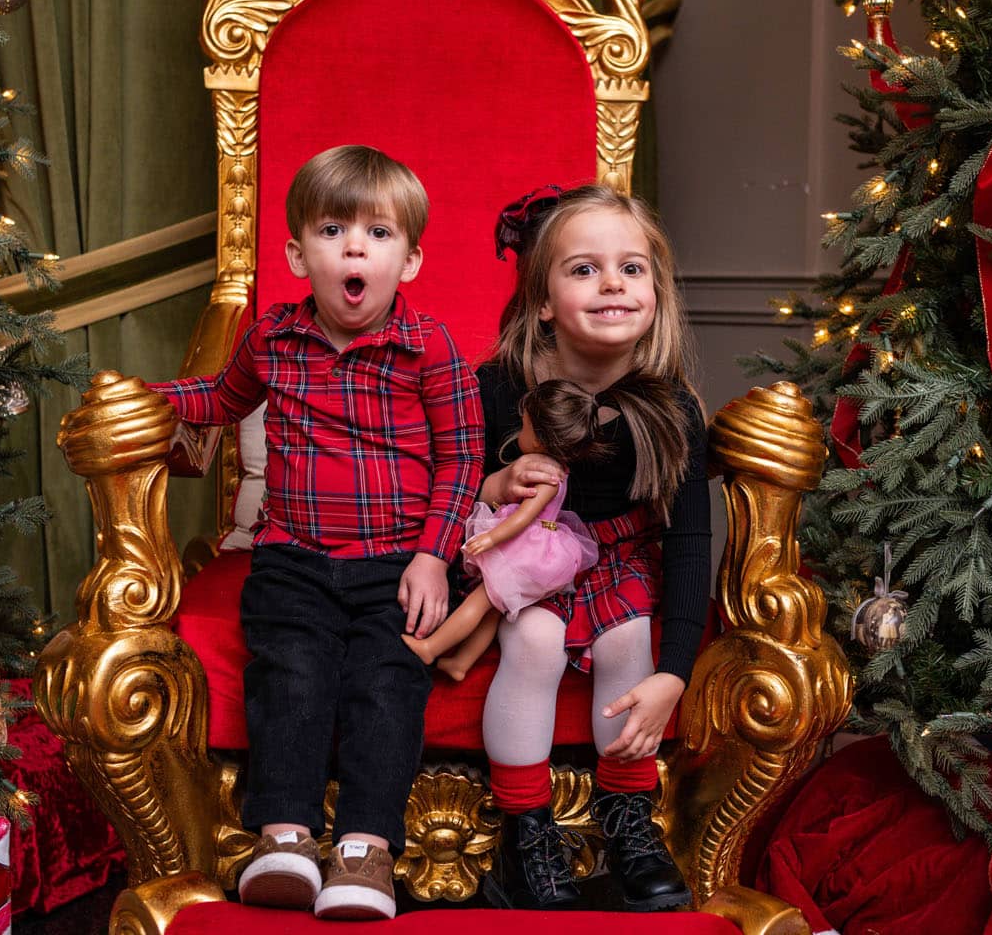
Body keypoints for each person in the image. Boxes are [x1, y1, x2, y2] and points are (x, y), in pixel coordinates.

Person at [148, 145, 484, 921]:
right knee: (290, 678)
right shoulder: (274, 340)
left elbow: (463, 457)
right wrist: (142, 398)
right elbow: (219, 399)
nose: (356, 248)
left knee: (385, 684)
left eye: (379, 233)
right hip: (293, 562)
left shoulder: (428, 348)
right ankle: (287, 840)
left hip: (398, 563)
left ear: (412, 258)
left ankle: (365, 850)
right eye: (334, 231)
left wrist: (434, 557)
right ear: (300, 255)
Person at [476, 184, 710, 912]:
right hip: (524, 555)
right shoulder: (497, 387)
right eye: (583, 269)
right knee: (537, 641)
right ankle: (527, 830)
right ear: (543, 300)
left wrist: (674, 674)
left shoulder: (672, 409)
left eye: (632, 268)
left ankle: (627, 821)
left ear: (656, 291)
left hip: (616, 560)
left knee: (628, 639)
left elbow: (690, 544)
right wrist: (497, 483)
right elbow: (445, 492)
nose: (612, 283)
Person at [400, 379, 603, 679]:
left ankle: (431, 647)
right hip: (529, 547)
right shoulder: (552, 467)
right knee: (492, 609)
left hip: (526, 551)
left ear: (539, 440)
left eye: (525, 428)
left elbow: (524, 517)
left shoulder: (546, 476)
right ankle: (460, 664)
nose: (520, 433)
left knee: (478, 602)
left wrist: (491, 537)